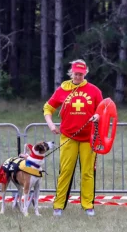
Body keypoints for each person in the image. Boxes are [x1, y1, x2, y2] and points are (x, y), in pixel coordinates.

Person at [44, 59, 103, 217]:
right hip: (68, 136)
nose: (78, 76)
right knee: (65, 171)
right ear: (71, 73)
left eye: (81, 74)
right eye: (76, 73)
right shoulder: (63, 89)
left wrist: (98, 116)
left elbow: (102, 109)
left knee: (87, 172)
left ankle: (88, 206)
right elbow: (48, 108)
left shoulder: (94, 91)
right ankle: (58, 206)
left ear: (85, 73)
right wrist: (51, 125)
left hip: (89, 138)